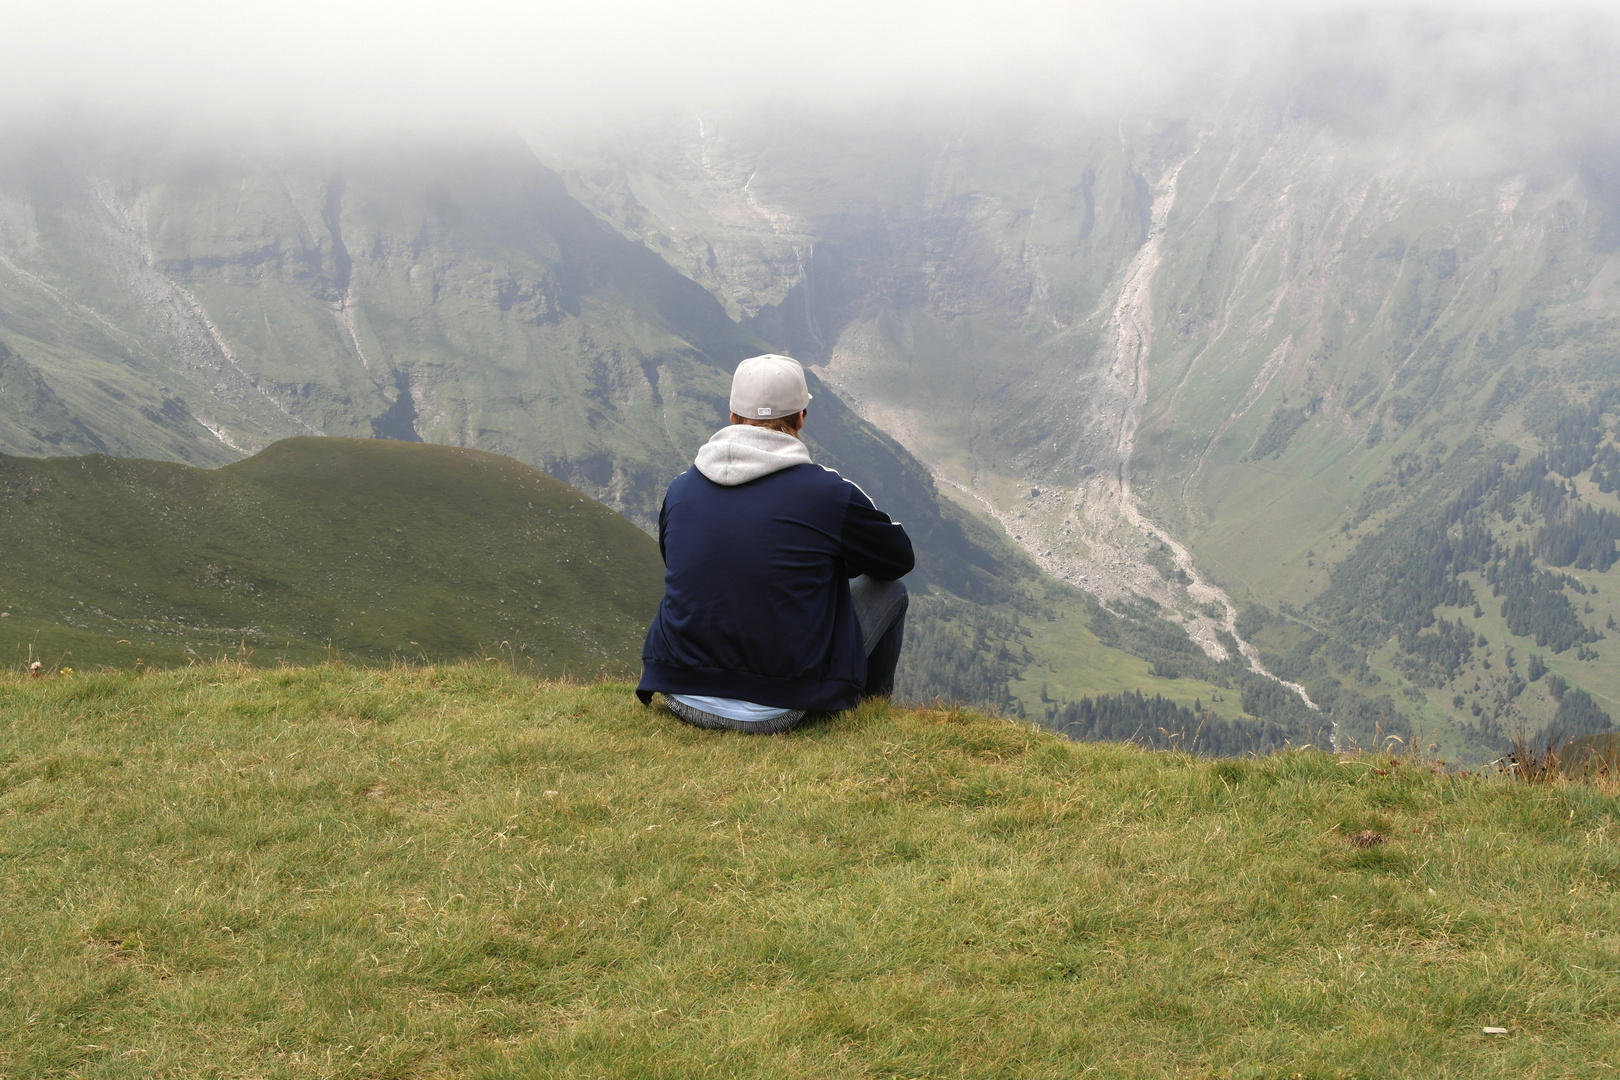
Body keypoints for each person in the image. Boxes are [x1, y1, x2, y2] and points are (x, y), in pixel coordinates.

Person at [636, 354, 914, 733]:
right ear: (801, 417)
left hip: (679, 693)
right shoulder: (829, 493)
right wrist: (833, 561)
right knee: (891, 592)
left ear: (732, 417)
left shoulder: (681, 488)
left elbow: (676, 560)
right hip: (780, 707)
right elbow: (897, 559)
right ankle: (872, 709)